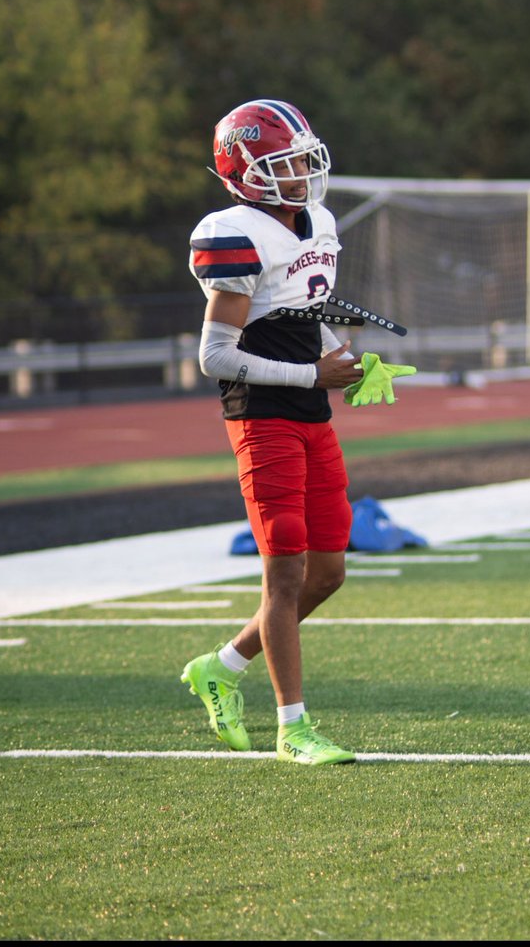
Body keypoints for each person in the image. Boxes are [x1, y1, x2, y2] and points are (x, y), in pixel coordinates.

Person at [181, 97, 362, 765]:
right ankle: (294, 728)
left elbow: (299, 313)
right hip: (260, 415)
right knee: (283, 576)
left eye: (302, 159)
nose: (300, 175)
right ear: (246, 173)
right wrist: (311, 375)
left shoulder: (317, 221)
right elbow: (214, 357)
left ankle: (221, 667)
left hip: (310, 407)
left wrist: (343, 358)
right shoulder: (231, 230)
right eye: (283, 165)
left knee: (329, 571)